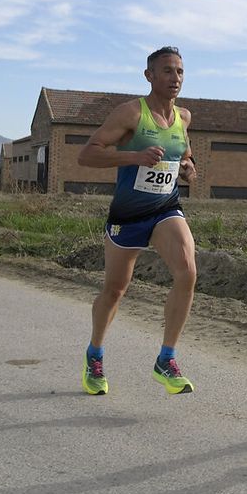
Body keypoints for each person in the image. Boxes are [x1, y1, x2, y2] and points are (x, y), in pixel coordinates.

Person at [75, 46, 199, 397]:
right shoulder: (130, 113)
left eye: (179, 71)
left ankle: (166, 358)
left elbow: (185, 157)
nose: (175, 78)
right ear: (149, 76)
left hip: (165, 209)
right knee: (115, 289)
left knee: (188, 271)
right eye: (167, 71)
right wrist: (135, 156)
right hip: (128, 215)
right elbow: (87, 154)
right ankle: (95, 354)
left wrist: (189, 169)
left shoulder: (184, 118)